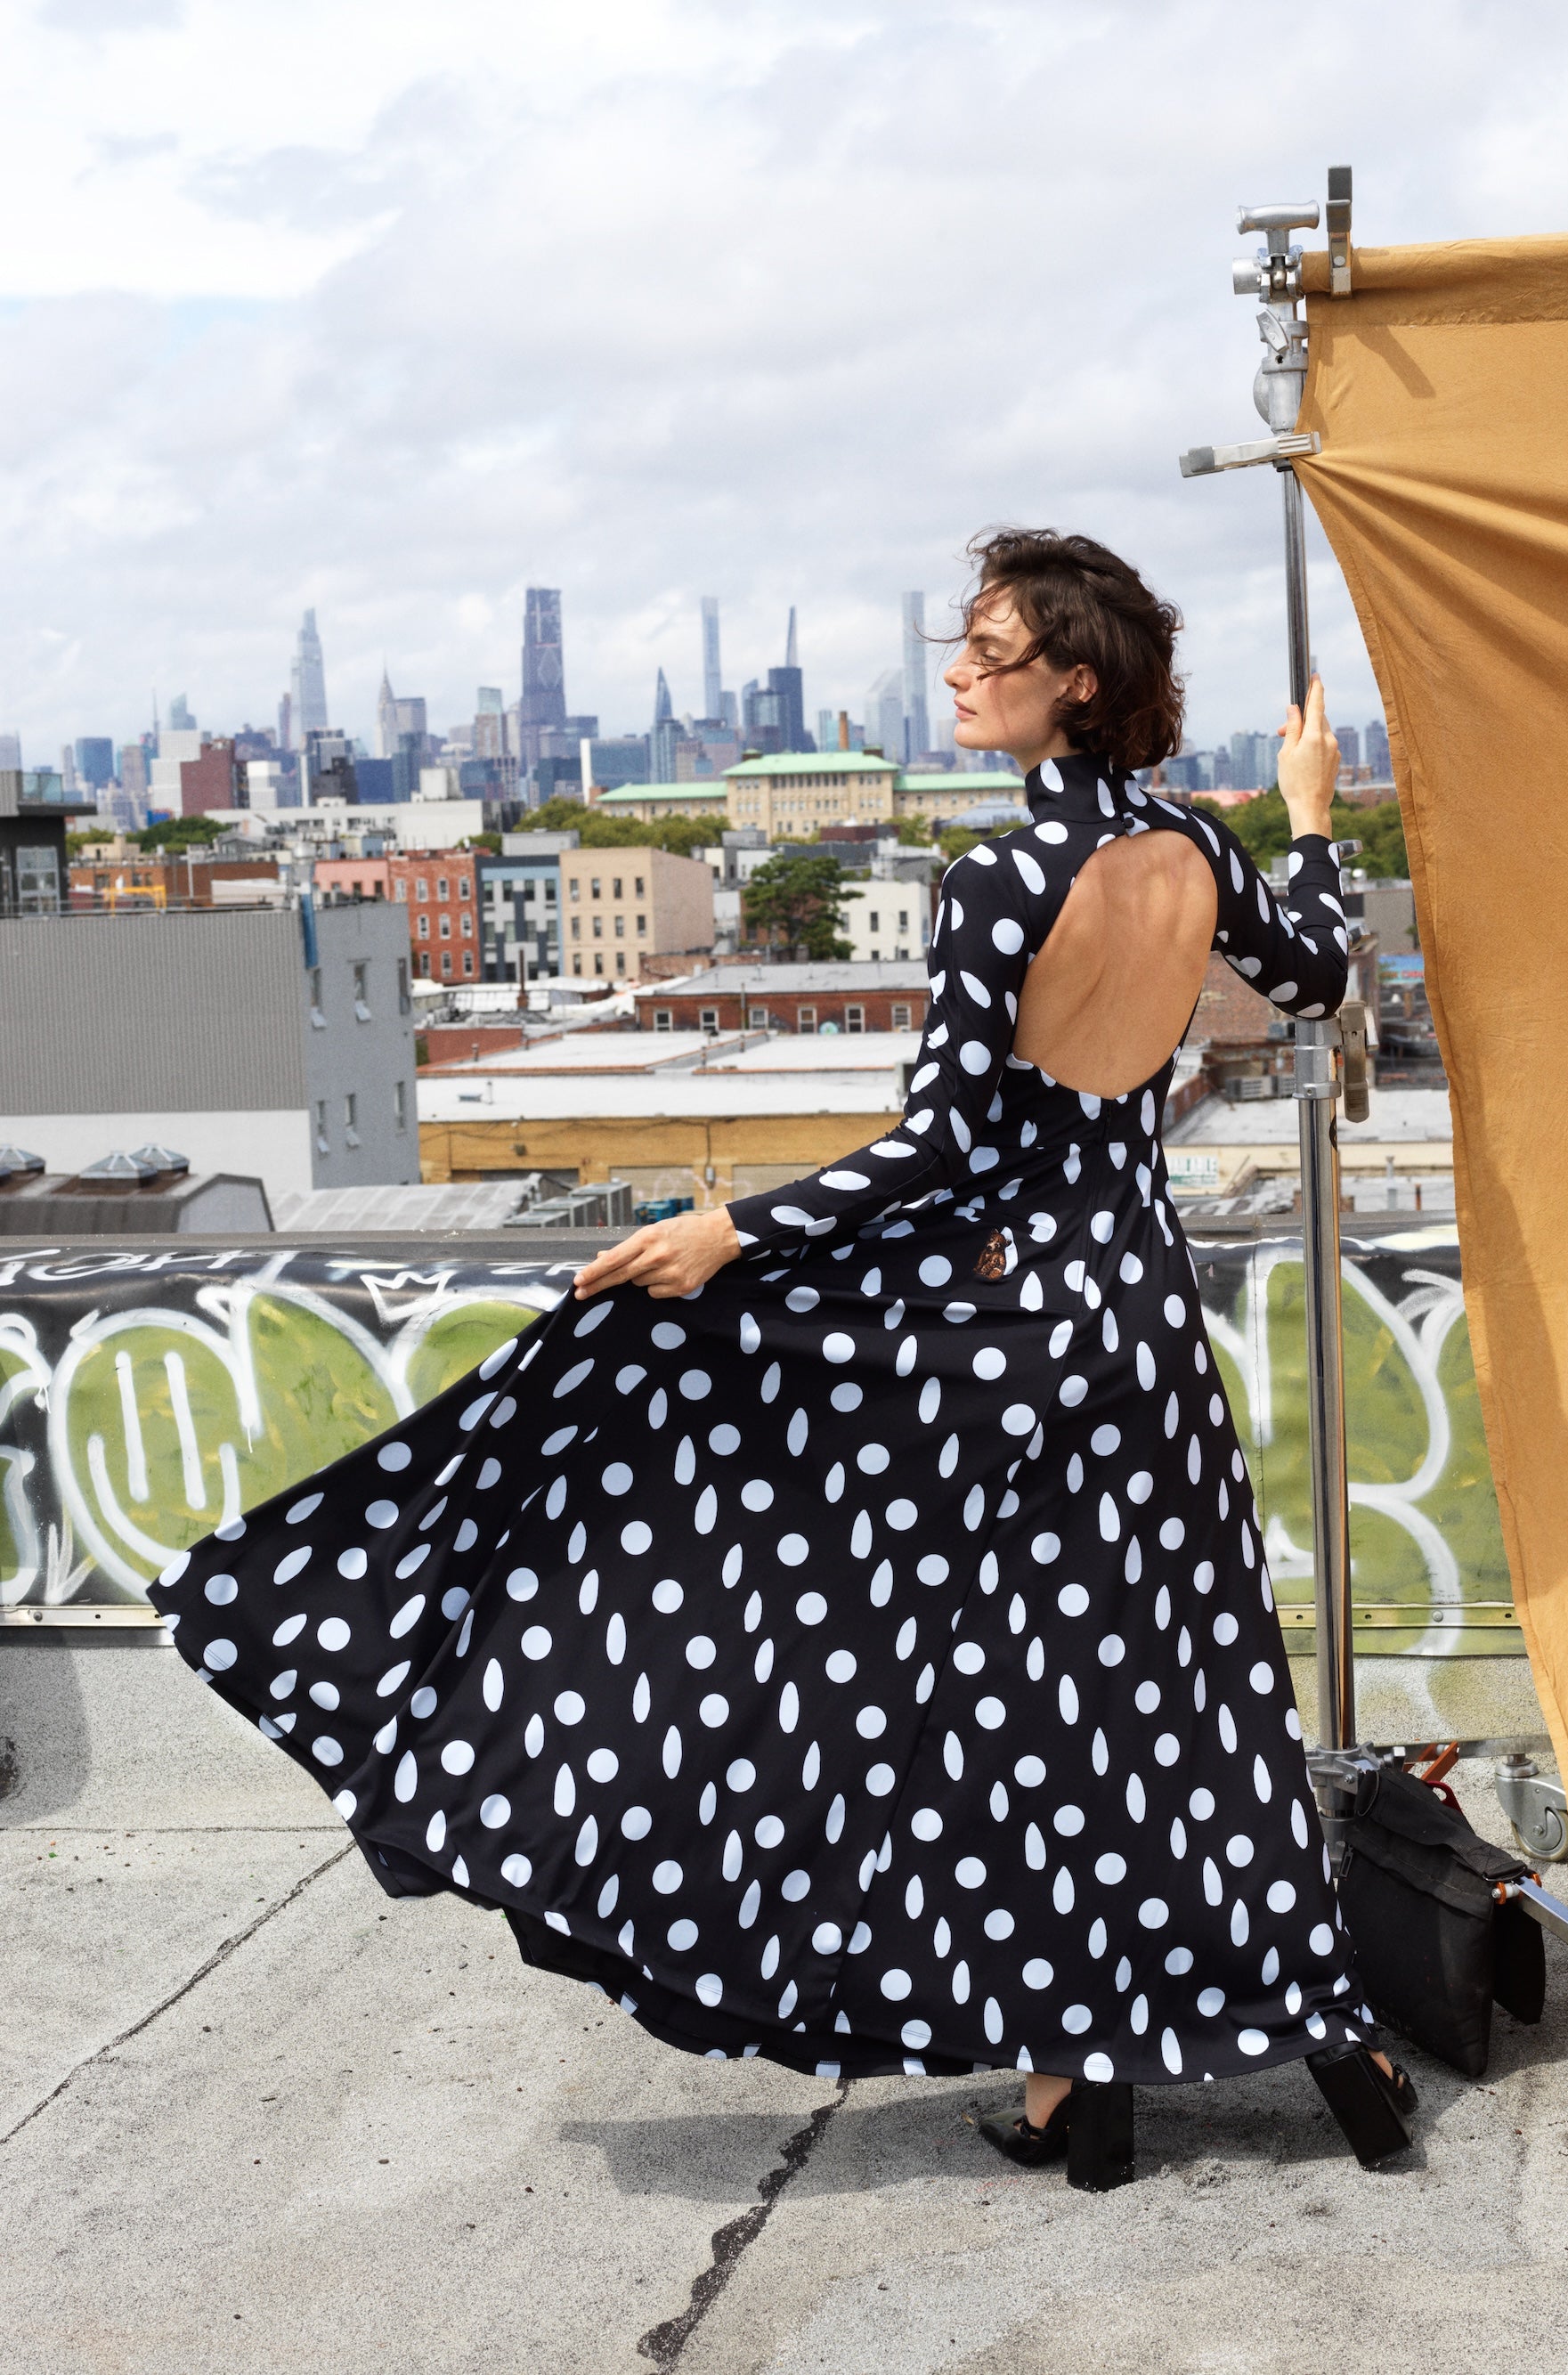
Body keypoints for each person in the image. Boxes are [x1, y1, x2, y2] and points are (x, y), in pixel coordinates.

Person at [150, 528, 1412, 2176]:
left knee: (994, 1701)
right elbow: (1317, 972)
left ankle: (1076, 2074)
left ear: (1073, 684)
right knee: (1181, 1693)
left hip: (1013, 1337)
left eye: (989, 649)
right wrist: (1312, 810)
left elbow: (946, 1148)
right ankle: (1213, 2058)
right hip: (1145, 1329)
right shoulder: (1193, 847)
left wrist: (731, 1232)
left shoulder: (998, 878)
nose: (957, 674)